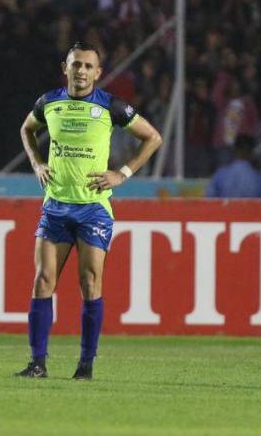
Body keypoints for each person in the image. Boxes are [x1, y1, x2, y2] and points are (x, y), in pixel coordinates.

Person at [17, 41, 162, 380]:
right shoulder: (49, 103)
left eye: (87, 66)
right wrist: (37, 163)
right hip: (55, 206)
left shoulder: (111, 106)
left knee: (89, 282)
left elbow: (153, 137)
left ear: (98, 73)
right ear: (64, 68)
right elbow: (27, 129)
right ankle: (37, 363)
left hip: (93, 208)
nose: (80, 71)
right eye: (75, 64)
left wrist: (121, 174)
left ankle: (85, 365)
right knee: (43, 281)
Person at [205, 134, 261, 198]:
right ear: (252, 152)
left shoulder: (220, 175)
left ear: (234, 150)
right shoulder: (258, 178)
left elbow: (209, 200)